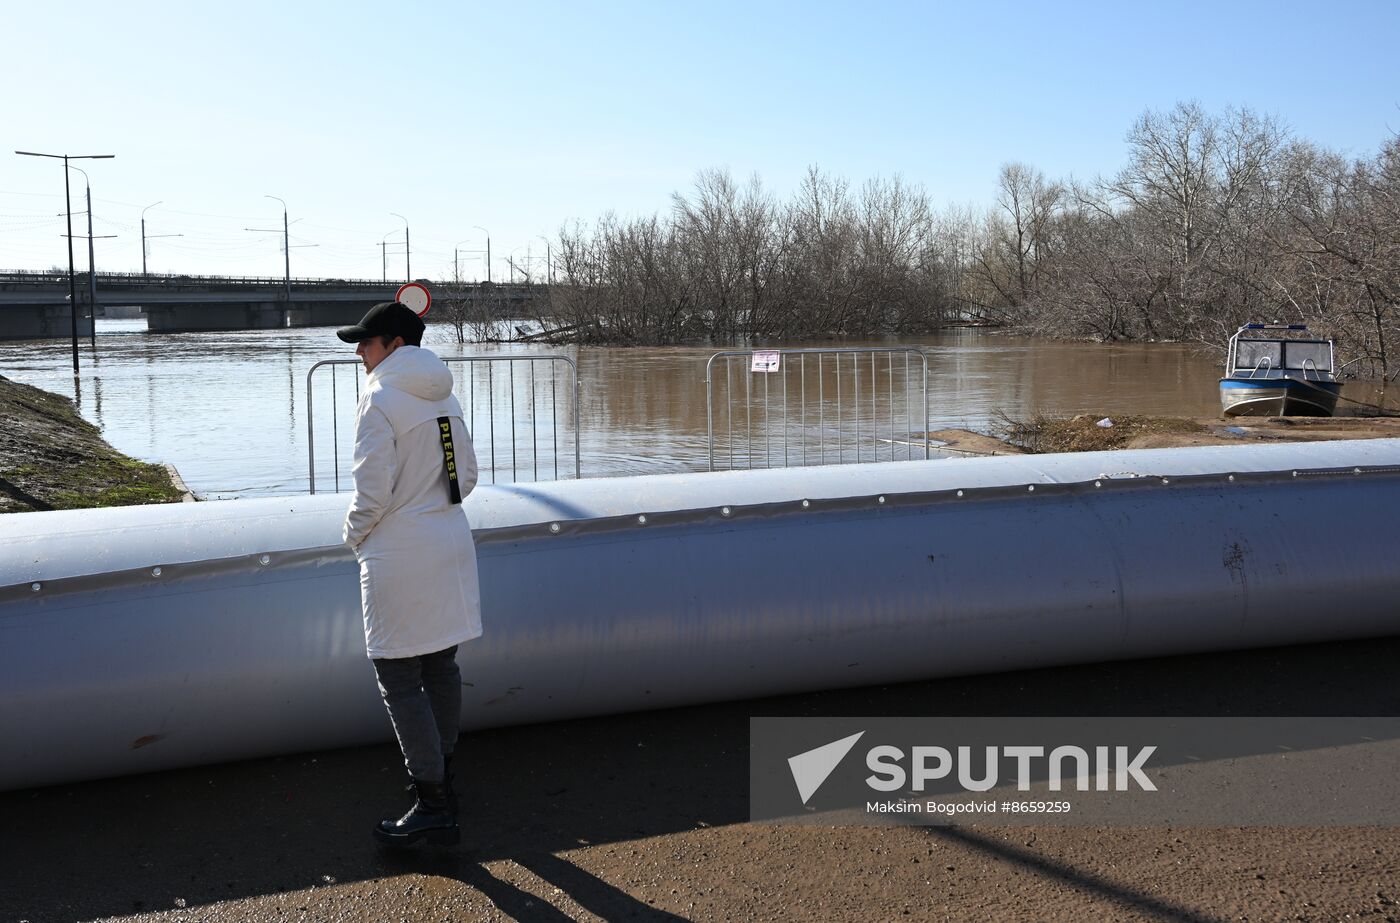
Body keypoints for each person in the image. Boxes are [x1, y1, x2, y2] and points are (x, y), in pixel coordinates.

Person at [337, 301, 482, 847]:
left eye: (366, 343)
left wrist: (354, 535)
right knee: (441, 663)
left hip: (399, 551)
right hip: (449, 539)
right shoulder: (444, 393)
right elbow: (464, 477)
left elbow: (370, 493)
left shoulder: (379, 398)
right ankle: (446, 777)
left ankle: (432, 802)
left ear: (394, 345)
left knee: (398, 675)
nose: (359, 353)